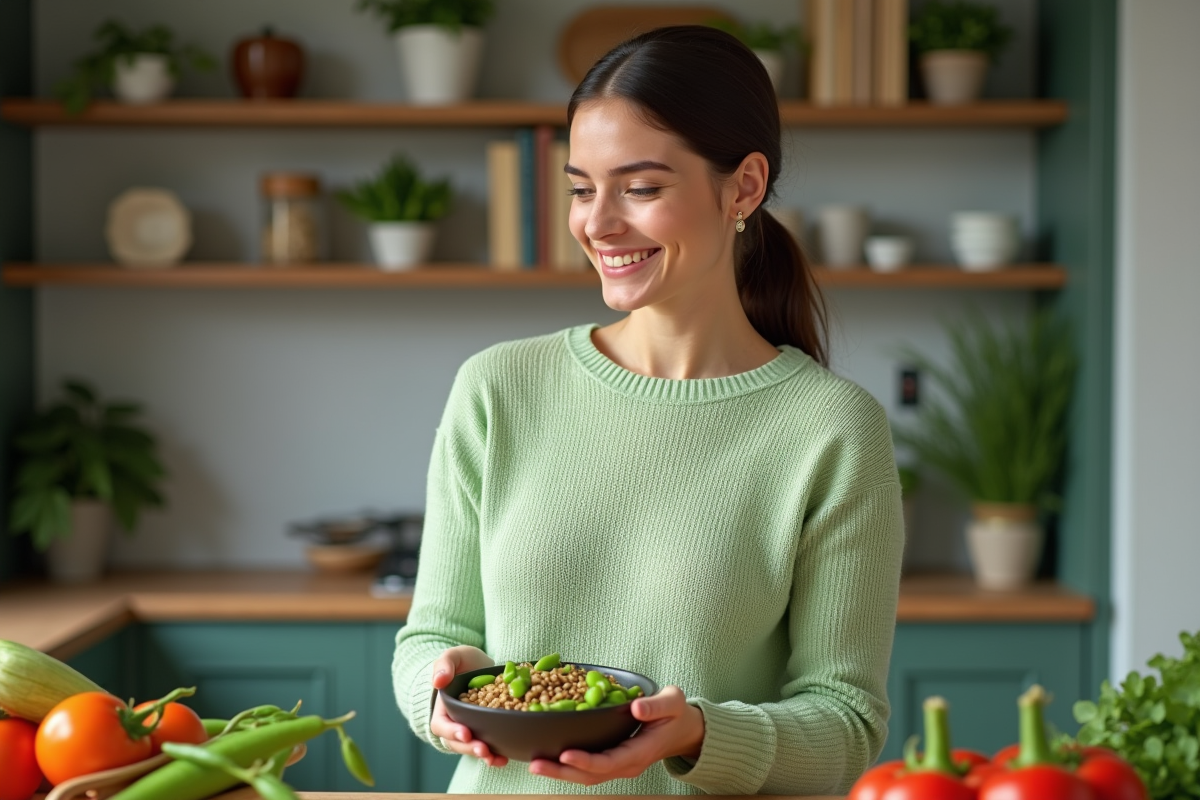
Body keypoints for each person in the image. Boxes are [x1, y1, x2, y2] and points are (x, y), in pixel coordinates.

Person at [392, 24, 904, 795]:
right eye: (580, 187)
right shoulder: (497, 389)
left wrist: (699, 733)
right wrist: (441, 694)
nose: (597, 223)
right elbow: (430, 637)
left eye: (639, 187)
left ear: (744, 186)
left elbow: (845, 722)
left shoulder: (831, 430)